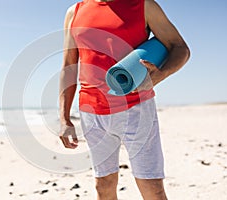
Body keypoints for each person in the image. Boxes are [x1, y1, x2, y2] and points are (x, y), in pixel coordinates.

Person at [59, 0, 190, 199]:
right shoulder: (75, 12)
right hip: (92, 112)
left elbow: (180, 47)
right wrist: (64, 118)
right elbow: (69, 66)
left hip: (137, 108)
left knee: (152, 187)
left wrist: (157, 77)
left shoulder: (143, 5)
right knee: (103, 185)